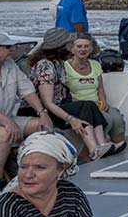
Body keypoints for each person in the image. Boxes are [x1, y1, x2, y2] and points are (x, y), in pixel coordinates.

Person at [29, 29, 113, 161]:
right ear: (60, 47)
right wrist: (71, 119)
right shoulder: (45, 66)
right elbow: (48, 103)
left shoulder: (59, 63)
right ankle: (93, 150)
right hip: (43, 110)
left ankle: (102, 145)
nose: (71, 47)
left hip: (59, 105)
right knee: (84, 108)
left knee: (89, 105)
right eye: (69, 44)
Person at [0, 33, 54, 176]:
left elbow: (27, 90)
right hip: (4, 122)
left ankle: (33, 170)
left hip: (7, 118)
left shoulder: (10, 65)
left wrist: (42, 113)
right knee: (5, 134)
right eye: (8, 47)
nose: (12, 49)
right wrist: (7, 122)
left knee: (42, 126)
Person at [64, 34, 127, 151]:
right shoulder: (65, 67)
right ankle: (101, 147)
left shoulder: (96, 65)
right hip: (81, 106)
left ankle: (117, 146)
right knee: (107, 118)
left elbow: (100, 88)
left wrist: (103, 101)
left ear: (91, 49)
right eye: (79, 46)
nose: (83, 49)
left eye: (86, 46)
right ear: (72, 49)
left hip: (97, 103)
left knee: (116, 117)